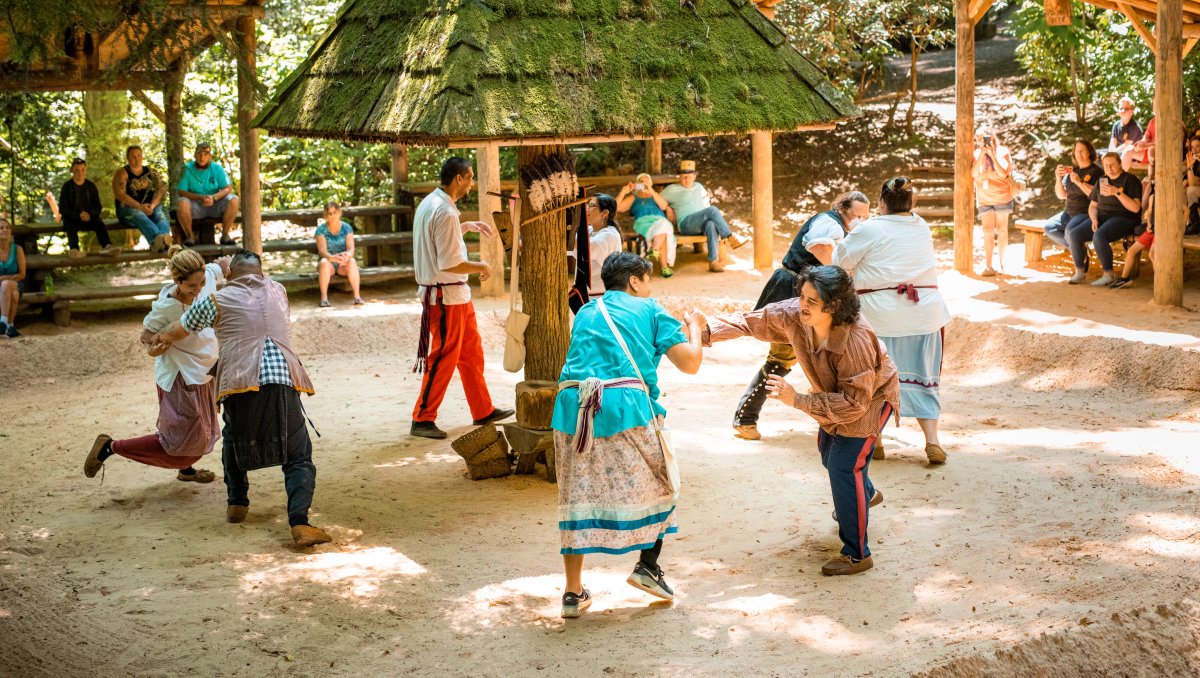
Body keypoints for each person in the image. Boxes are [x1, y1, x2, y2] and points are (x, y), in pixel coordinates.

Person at [704, 266, 899, 576]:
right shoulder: (796, 314)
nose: (802, 305)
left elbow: (854, 404)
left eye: (812, 300)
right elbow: (752, 321)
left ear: (834, 305)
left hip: (871, 400)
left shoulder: (856, 340)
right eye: (802, 296)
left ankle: (857, 554)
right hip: (839, 397)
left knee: (844, 466)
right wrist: (707, 333)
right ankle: (867, 493)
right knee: (827, 449)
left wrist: (797, 400)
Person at [552, 251, 705, 617]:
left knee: (576, 494)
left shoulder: (587, 311)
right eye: (648, 279)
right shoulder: (651, 309)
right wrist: (694, 326)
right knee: (667, 481)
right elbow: (691, 362)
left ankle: (573, 593)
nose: (650, 286)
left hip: (571, 407)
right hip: (623, 407)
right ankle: (647, 565)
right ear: (635, 281)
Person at [149, 249, 331, 547]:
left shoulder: (217, 300)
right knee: (298, 455)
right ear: (261, 272)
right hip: (283, 378)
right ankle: (300, 522)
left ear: (230, 275)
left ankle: (237, 503)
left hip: (238, 380)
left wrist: (159, 339)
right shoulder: (279, 290)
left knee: (234, 437)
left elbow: (179, 328)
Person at [808, 177, 952, 465]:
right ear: (911, 204)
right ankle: (932, 441)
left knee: (872, 377)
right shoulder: (921, 226)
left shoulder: (869, 228)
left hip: (881, 317)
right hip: (925, 313)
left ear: (882, 203)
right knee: (925, 377)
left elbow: (840, 260)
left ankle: (878, 440)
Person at [732, 191, 871, 441]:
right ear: (842, 209)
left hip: (810, 295)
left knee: (817, 358)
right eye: (855, 214)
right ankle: (745, 418)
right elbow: (818, 246)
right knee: (782, 357)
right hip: (794, 290)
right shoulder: (828, 222)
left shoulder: (842, 227)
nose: (859, 219)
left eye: (864, 216)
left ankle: (832, 417)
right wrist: (841, 275)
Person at [83, 246, 225, 483]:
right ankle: (110, 447)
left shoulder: (205, 277)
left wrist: (228, 266)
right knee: (179, 441)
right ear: (176, 280)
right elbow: (146, 335)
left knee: (197, 431)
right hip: (181, 378)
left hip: (202, 374)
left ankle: (186, 469)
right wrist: (154, 347)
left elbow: (220, 267)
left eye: (201, 283)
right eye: (191, 286)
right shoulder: (167, 307)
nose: (198, 290)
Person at [410, 156, 513, 440]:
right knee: (443, 356)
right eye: (469, 178)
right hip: (445, 295)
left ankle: (482, 409)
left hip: (455, 295)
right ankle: (422, 417)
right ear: (459, 178)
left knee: (471, 352)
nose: (471, 184)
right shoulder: (445, 211)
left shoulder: (433, 203)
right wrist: (481, 266)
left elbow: (437, 239)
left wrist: (465, 227)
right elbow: (448, 262)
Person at [1067, 151, 1143, 286]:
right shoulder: (1102, 180)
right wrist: (1094, 218)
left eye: (1113, 164)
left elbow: (1136, 208)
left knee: (1099, 235)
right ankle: (1080, 272)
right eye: (1106, 165)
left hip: (1125, 218)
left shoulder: (1130, 180)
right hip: (1102, 217)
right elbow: (1093, 205)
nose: (1109, 168)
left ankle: (1108, 274)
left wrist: (1117, 192)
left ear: (1120, 164)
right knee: (1074, 234)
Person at [661, 160, 748, 273]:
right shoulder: (671, 189)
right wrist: (667, 207)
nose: (687, 179)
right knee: (712, 210)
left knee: (711, 224)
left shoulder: (699, 187)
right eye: (684, 176)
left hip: (701, 222)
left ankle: (713, 262)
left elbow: (705, 203)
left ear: (694, 177)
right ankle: (730, 237)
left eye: (689, 176)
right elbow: (655, 199)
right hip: (686, 224)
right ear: (680, 177)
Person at [176, 142, 239, 246]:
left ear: (210, 156)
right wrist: (200, 198)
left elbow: (228, 188)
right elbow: (181, 191)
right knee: (181, 203)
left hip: (214, 203)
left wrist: (214, 198)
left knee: (234, 200)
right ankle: (189, 236)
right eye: (199, 153)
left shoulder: (217, 168)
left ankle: (225, 235)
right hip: (195, 205)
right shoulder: (186, 169)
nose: (202, 157)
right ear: (195, 155)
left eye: (205, 154)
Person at [972, 128, 1016, 276]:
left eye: (986, 138)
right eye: (979, 138)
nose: (982, 141)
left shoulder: (1003, 152)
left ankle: (1003, 264)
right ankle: (989, 266)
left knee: (1002, 230)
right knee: (987, 232)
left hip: (1002, 197)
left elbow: (1004, 173)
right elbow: (973, 173)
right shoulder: (976, 153)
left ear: (993, 138)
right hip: (984, 199)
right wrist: (982, 155)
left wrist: (992, 155)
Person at [57, 158, 121, 260]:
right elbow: (63, 209)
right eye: (77, 170)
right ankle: (74, 250)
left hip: (89, 217)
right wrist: (78, 215)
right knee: (69, 223)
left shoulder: (90, 186)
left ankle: (107, 246)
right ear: (71, 171)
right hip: (73, 218)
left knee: (99, 222)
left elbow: (98, 206)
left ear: (86, 170)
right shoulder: (67, 187)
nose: (80, 173)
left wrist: (90, 214)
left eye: (83, 169)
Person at [113, 145, 172, 253]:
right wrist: (140, 207)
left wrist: (153, 205)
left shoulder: (151, 172)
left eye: (139, 155)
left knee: (162, 212)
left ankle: (161, 241)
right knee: (138, 214)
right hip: (127, 210)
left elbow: (161, 189)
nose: (137, 159)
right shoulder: (122, 173)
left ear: (142, 156)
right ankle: (158, 240)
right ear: (128, 158)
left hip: (150, 207)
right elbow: (120, 195)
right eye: (133, 157)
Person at [1044, 140, 1102, 250]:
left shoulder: (1097, 171)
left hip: (1086, 213)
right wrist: (1058, 178)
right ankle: (1078, 250)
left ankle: (1079, 256)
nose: (1079, 154)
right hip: (1069, 213)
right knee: (1049, 227)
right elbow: (1062, 196)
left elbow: (1096, 195)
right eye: (1076, 151)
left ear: (1089, 152)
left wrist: (1079, 182)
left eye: (1082, 151)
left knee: (1068, 231)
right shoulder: (1073, 172)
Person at [617, 173, 677, 277]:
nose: (644, 183)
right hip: (643, 224)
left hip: (660, 223)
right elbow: (617, 207)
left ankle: (655, 251)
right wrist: (623, 192)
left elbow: (664, 206)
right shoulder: (633, 198)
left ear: (651, 183)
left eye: (647, 181)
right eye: (641, 181)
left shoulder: (656, 196)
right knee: (664, 229)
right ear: (637, 184)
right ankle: (664, 266)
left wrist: (651, 192)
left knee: (662, 228)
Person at [315, 202, 363, 307]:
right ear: (325, 215)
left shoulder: (347, 228)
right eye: (329, 213)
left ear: (339, 213)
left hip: (343, 263)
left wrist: (348, 256)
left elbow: (351, 248)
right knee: (323, 262)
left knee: (353, 261)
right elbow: (322, 251)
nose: (332, 216)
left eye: (334, 213)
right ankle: (324, 298)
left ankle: (357, 297)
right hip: (328, 263)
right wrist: (332, 258)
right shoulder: (321, 230)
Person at [581, 193, 623, 299]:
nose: (587, 208)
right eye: (587, 204)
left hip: (603, 296)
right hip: (590, 294)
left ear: (604, 213)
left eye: (591, 205)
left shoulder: (610, 234)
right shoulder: (590, 230)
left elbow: (586, 247)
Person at [0, 217, 26, 339]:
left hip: (16, 283)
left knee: (6, 284)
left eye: (7, 228)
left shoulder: (17, 249)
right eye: (1, 228)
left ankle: (3, 322)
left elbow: (22, 274)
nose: (4, 230)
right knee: (13, 294)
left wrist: (5, 278)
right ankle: (10, 326)